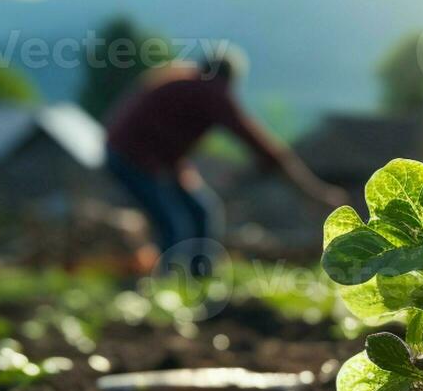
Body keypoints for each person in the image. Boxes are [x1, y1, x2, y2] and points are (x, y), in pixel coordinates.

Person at [103, 47, 347, 270]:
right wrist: (315, 192)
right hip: (131, 158)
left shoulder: (187, 82)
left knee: (201, 211)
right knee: (173, 224)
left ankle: (198, 278)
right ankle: (168, 287)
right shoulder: (210, 92)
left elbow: (165, 137)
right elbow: (262, 145)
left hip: (137, 156)